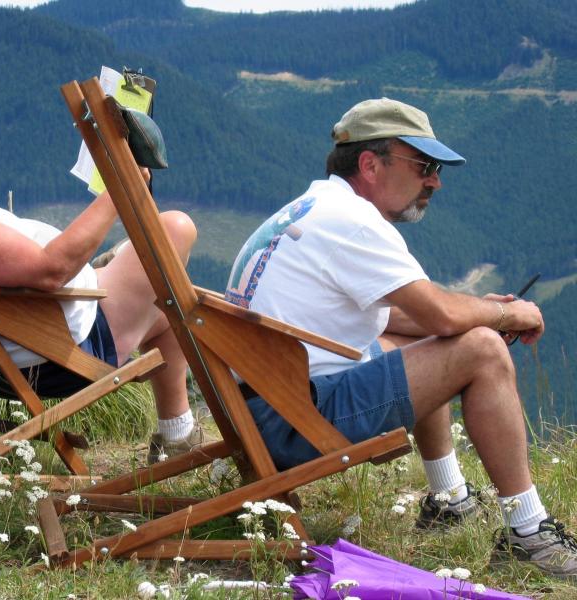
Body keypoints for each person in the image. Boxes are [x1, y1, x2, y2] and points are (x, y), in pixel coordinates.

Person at [225, 97, 577, 578]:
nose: (434, 180)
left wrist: (478, 313)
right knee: (482, 350)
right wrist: (502, 314)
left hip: (260, 409)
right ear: (370, 164)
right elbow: (439, 315)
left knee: (444, 340)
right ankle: (529, 531)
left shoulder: (313, 207)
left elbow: (407, 318)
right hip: (292, 420)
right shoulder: (355, 222)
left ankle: (450, 497)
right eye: (424, 165)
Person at [0, 79, 203, 464]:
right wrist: (121, 188)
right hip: (61, 346)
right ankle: (182, 435)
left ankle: (178, 434)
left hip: (39, 325)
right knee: (175, 232)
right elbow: (51, 270)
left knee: (169, 293)